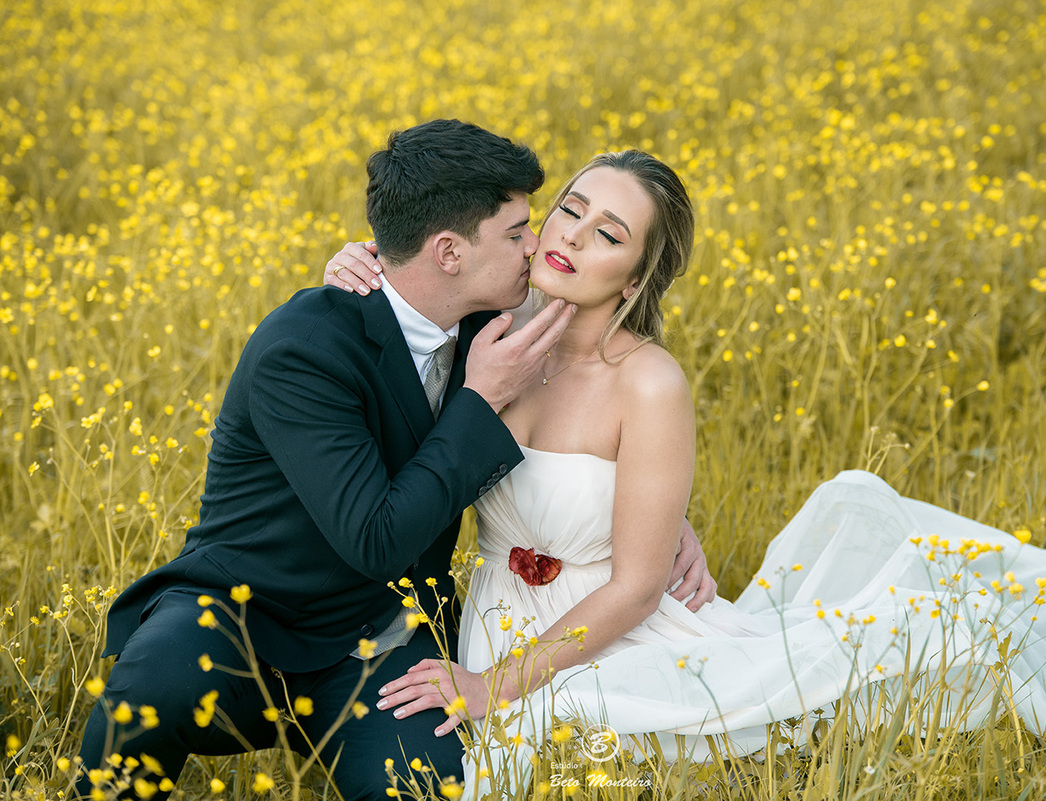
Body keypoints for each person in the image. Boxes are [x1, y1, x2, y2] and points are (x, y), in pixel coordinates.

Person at [324, 150, 1046, 793]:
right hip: (499, 610)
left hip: (607, 626)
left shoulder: (649, 381)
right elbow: (413, 309)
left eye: (609, 234)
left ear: (638, 272)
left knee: (612, 732)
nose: (574, 238)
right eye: (570, 211)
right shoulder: (492, 337)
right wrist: (351, 267)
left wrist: (491, 685)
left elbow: (634, 585)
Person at [76, 121, 714, 801]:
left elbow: (589, 439)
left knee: (419, 786)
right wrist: (479, 393)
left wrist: (662, 520)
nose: (544, 242)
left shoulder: (493, 319)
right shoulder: (312, 346)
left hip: (385, 633)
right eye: (529, 226)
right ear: (447, 252)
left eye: (600, 230)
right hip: (244, 615)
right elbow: (377, 536)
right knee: (154, 686)